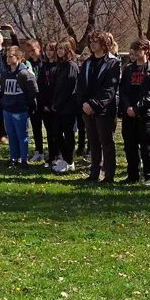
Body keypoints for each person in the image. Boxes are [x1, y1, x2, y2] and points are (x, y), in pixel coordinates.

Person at [78, 31, 122, 185]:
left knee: (106, 142)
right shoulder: (87, 63)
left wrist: (94, 105)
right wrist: (84, 103)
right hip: (87, 110)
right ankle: (94, 173)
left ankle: (108, 175)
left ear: (104, 44)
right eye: (90, 41)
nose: (92, 44)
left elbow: (110, 89)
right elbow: (81, 85)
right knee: (93, 142)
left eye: (95, 41)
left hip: (104, 110)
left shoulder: (113, 63)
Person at [119, 38, 150, 184]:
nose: (135, 52)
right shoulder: (128, 69)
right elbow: (122, 90)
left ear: (146, 51)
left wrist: (136, 109)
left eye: (138, 49)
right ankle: (132, 176)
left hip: (146, 114)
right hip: (129, 114)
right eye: (133, 49)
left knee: (147, 146)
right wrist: (128, 107)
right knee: (130, 146)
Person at [0, 45, 39, 169]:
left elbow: (33, 90)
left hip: (20, 109)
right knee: (11, 134)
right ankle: (13, 158)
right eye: (7, 56)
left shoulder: (24, 73)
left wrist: (27, 104)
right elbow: (3, 89)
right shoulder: (5, 73)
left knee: (22, 135)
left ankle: (24, 159)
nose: (8, 59)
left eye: (11, 56)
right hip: (7, 109)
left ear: (19, 58)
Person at [48, 40, 80, 173]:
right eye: (58, 49)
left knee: (68, 133)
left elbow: (69, 88)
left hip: (68, 107)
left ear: (68, 50)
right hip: (58, 107)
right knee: (55, 132)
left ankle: (69, 161)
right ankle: (64, 158)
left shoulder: (71, 66)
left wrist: (59, 103)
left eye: (62, 49)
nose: (59, 51)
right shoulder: (59, 66)